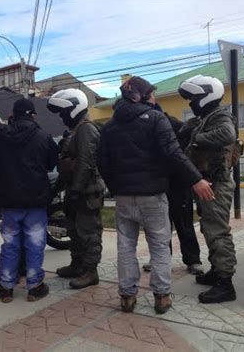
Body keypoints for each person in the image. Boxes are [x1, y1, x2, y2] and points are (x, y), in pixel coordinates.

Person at [98, 76, 214, 314]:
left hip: (123, 197)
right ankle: (161, 296)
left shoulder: (110, 126)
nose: (155, 97)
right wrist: (196, 180)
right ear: (143, 96)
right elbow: (174, 154)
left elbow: (103, 163)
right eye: (152, 93)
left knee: (126, 247)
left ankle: (127, 297)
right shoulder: (156, 119)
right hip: (153, 196)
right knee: (160, 246)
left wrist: (117, 186)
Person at [0, 98, 59, 303]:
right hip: (35, 201)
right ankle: (35, 287)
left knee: (10, 244)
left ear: (12, 116)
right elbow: (52, 162)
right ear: (32, 115)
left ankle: (6, 288)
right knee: (34, 245)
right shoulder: (43, 136)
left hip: (9, 201)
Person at [178, 74, 238, 304]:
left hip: (217, 184)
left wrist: (196, 138)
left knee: (217, 231)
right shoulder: (206, 117)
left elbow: (227, 134)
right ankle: (216, 270)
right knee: (208, 228)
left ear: (206, 97)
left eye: (193, 98)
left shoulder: (220, 117)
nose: (191, 102)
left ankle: (226, 284)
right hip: (208, 183)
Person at [47, 88, 105, 289]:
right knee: (74, 230)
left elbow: (86, 163)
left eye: (64, 112)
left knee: (89, 232)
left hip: (86, 192)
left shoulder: (87, 129)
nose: (62, 117)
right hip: (75, 190)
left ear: (75, 108)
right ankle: (78, 264)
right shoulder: (75, 131)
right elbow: (67, 165)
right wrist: (57, 190)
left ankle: (91, 271)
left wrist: (76, 191)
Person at [142, 105, 204, 276]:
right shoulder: (146, 128)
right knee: (160, 226)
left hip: (179, 183)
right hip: (158, 184)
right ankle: (161, 258)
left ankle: (193, 260)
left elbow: (184, 153)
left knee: (184, 223)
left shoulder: (176, 126)